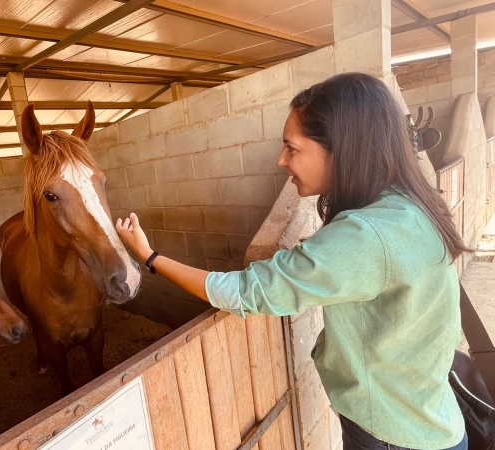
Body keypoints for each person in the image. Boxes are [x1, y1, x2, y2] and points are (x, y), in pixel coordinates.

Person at [115, 72, 469, 450]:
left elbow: (244, 292)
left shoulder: (365, 235)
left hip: (392, 435)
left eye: (292, 148)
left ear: (342, 148)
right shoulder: (409, 205)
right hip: (429, 416)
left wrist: (149, 256)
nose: (281, 160)